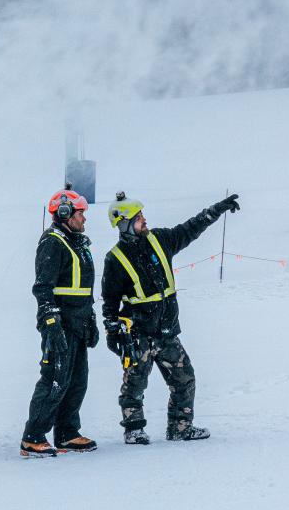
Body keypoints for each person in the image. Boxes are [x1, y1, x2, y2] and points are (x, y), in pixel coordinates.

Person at [101, 190, 239, 444]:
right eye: (139, 217)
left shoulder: (160, 240)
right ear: (125, 224)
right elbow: (109, 302)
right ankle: (134, 430)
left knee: (185, 379)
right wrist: (113, 332)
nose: (144, 219)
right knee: (134, 385)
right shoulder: (115, 259)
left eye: (142, 215)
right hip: (138, 336)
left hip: (166, 333)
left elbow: (191, 228)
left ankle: (180, 427)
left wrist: (216, 210)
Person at [21, 187, 100, 455]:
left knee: (78, 380)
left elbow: (83, 289)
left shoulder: (78, 243)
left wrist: (90, 319)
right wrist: (51, 322)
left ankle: (67, 432)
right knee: (55, 379)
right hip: (61, 324)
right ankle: (32, 437)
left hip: (78, 322)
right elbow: (43, 288)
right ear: (65, 213)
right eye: (81, 214)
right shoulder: (53, 242)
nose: (84, 219)